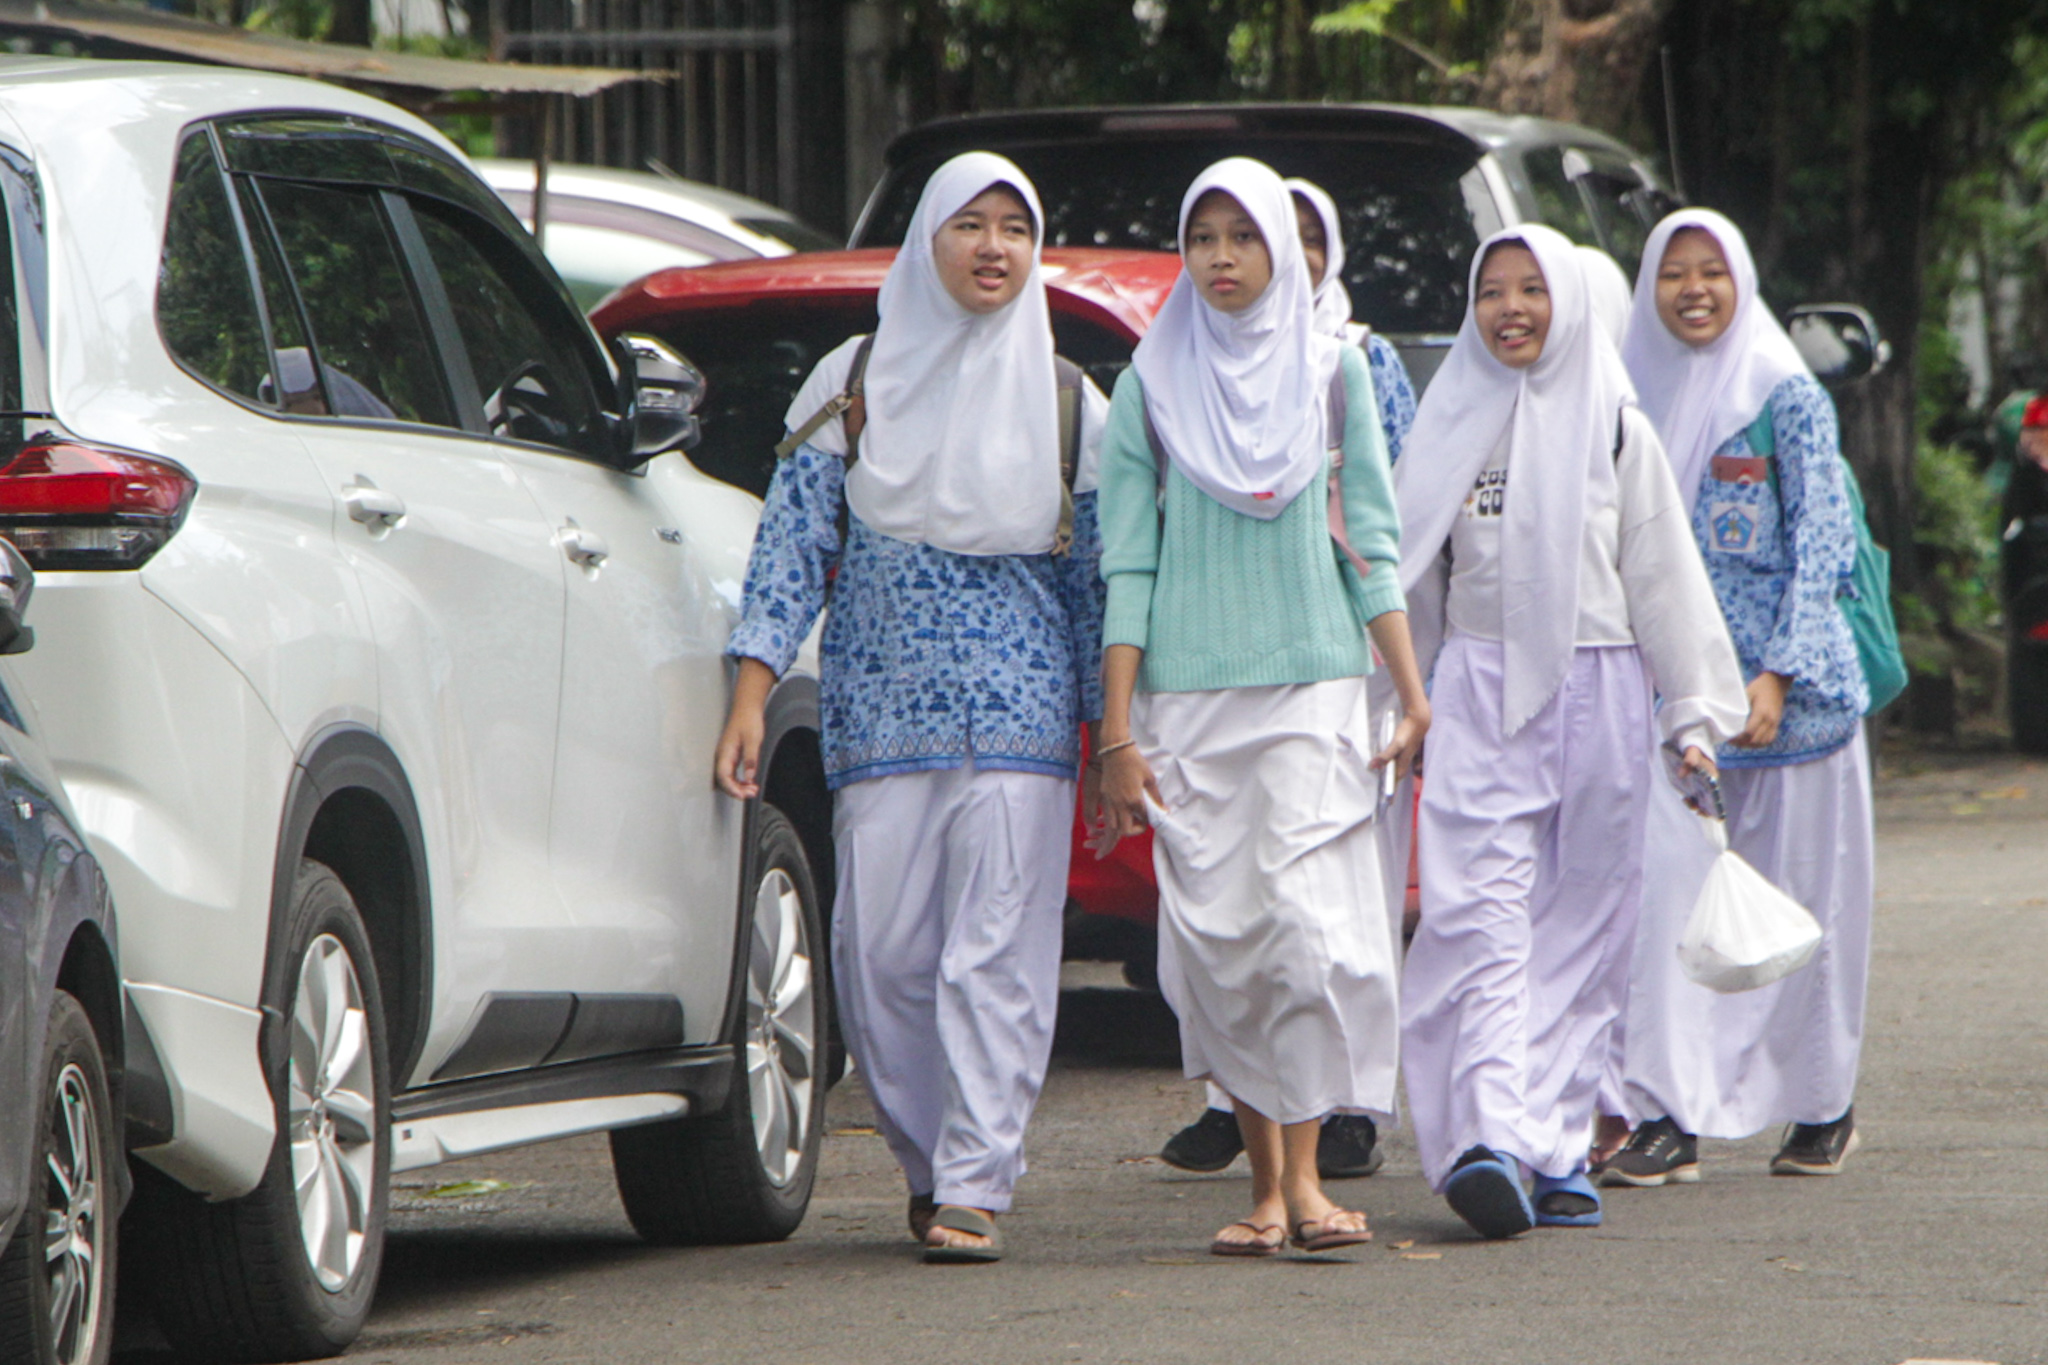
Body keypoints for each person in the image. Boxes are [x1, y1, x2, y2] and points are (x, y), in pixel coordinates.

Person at [714, 152, 1108, 1264]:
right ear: (927, 239)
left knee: (996, 953)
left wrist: (1114, 739)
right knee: (879, 957)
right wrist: (752, 690)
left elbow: (1102, 585)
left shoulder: (1073, 397)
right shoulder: (853, 377)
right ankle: (928, 1162)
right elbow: (792, 540)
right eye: (968, 224)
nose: (992, 247)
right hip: (879, 708)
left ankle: (977, 1179)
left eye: (1014, 228)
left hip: (1022, 714)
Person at [1092, 157, 1429, 1257]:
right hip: (1186, 704)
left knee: (1297, 936)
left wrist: (1411, 693)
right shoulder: (1149, 384)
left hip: (1310, 689)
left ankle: (1306, 1180)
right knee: (1223, 948)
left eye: (1244, 237)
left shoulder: (1333, 374)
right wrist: (1117, 731)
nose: (1223, 259)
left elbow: (1368, 544)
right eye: (1203, 239)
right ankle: (1271, 1192)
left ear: (1282, 248)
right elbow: (1127, 567)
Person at [1395, 225, 1746, 1238]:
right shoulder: (1447, 419)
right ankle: (1481, 1139)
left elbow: (1661, 576)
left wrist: (1689, 717)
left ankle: (1551, 1148)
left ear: (1567, 303)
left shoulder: (1613, 423)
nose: (1510, 308)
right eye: (1491, 291)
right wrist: (1402, 701)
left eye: (1530, 289)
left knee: (1584, 927)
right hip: (1478, 688)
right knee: (1477, 917)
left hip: (1601, 689)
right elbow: (1411, 575)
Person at [1601, 209, 1877, 1187]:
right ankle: (1667, 1115)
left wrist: (1777, 671)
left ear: (1741, 279)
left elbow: (1822, 545)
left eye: (1708, 271)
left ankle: (1819, 1106)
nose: (1689, 290)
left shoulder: (1783, 393)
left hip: (1792, 712)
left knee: (1804, 913)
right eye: (1670, 273)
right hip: (1677, 707)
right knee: (1670, 912)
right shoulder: (1624, 397)